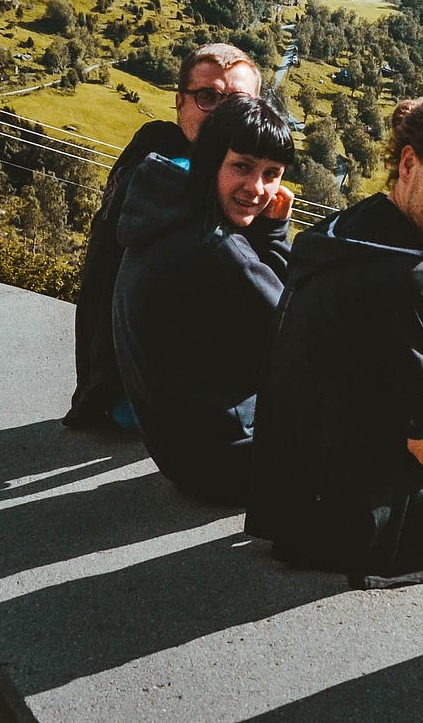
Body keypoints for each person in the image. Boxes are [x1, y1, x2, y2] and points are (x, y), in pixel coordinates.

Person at [248, 86, 423, 586]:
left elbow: (354, 368)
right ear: (409, 164)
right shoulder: (407, 278)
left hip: (294, 500)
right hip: (361, 519)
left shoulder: (344, 231)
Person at [64, 42, 261, 429]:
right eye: (208, 97)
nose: (221, 113)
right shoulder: (179, 177)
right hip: (151, 401)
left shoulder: (149, 149)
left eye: (236, 103)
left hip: (114, 382)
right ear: (180, 103)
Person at [111, 95, 295, 504]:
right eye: (242, 167)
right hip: (232, 462)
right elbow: (302, 326)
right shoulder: (217, 249)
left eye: (272, 173)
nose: (257, 189)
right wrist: (276, 233)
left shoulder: (166, 207)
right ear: (211, 159)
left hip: (181, 454)